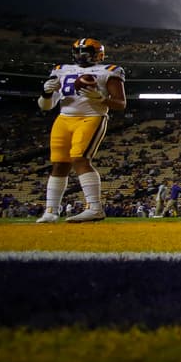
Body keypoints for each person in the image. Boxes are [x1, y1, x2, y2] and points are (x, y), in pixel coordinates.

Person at [35, 37, 127, 223]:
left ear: (98, 54)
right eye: (77, 51)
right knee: (59, 164)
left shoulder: (109, 70)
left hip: (91, 117)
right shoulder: (61, 69)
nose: (81, 55)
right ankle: (51, 211)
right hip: (63, 118)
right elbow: (46, 106)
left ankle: (94, 208)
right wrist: (46, 93)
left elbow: (121, 104)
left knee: (80, 159)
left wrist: (100, 98)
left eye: (86, 51)